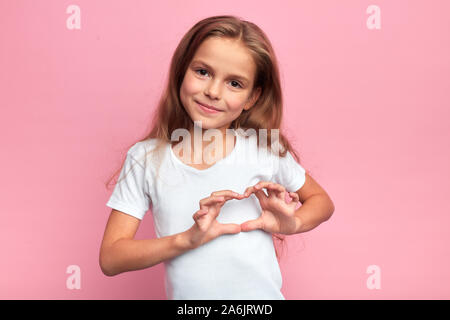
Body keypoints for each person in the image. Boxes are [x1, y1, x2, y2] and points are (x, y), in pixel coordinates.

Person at [100, 15, 335, 300]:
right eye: (202, 72)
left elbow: (322, 202)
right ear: (181, 71)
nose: (212, 91)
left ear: (252, 97)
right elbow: (112, 257)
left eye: (234, 83)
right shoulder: (145, 158)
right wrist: (187, 239)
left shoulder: (263, 149)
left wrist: (292, 223)